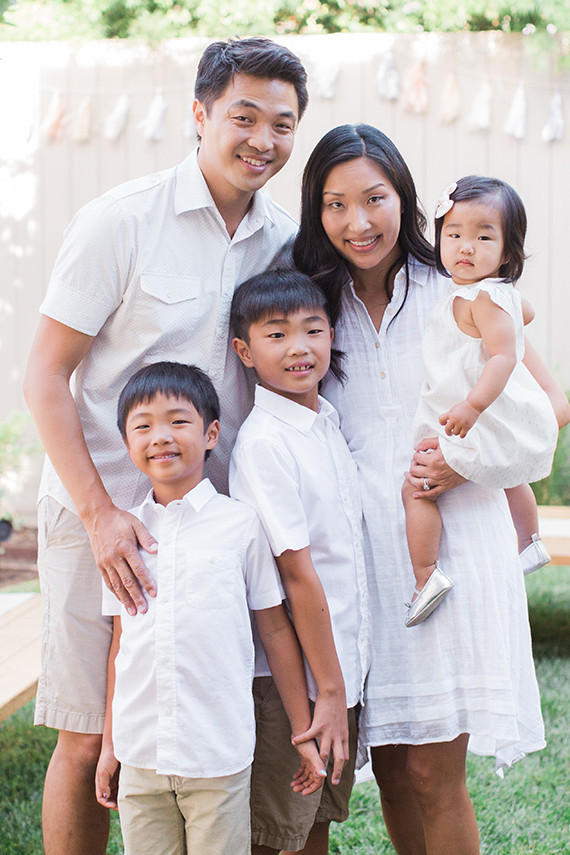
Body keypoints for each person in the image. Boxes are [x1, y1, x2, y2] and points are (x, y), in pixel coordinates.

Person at [23, 37, 308, 855]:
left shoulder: (283, 240)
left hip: (218, 532)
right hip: (104, 514)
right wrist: (103, 514)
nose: (263, 139)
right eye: (243, 116)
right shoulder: (122, 219)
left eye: (281, 124)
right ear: (199, 114)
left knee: (207, 730)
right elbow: (45, 377)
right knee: (89, 735)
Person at [292, 123, 570, 854]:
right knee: (390, 770)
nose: (358, 221)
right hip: (358, 564)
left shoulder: (462, 293)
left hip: (450, 550)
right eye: (335, 203)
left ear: (406, 199)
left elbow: (551, 403)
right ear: (315, 213)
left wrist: (466, 455)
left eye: (375, 198)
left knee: (431, 772)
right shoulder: (308, 308)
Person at [94, 361, 325, 855]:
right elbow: (122, 645)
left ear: (212, 432)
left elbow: (276, 632)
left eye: (178, 421)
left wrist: (302, 732)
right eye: (143, 426)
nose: (161, 436)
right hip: (141, 752)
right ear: (126, 442)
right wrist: (110, 746)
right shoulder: (126, 535)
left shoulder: (241, 526)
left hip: (217, 754)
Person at [229, 270, 370, 855]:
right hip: (297, 684)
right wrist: (330, 692)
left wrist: (344, 686)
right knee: (276, 834)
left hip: (340, 669)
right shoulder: (265, 442)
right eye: (277, 335)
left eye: (313, 330)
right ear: (244, 351)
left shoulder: (327, 423)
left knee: (316, 828)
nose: (299, 348)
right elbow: (296, 574)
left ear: (331, 334)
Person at [402, 175, 558, 626]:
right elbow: (525, 315)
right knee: (512, 477)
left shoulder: (482, 298)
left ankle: (426, 575)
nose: (465, 247)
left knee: (416, 489)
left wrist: (471, 405)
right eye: (453, 235)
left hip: (471, 416)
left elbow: (505, 356)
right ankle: (528, 540)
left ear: (508, 252)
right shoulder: (494, 296)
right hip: (484, 416)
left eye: (483, 236)